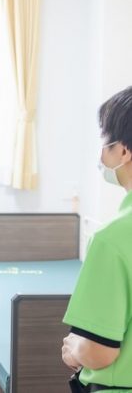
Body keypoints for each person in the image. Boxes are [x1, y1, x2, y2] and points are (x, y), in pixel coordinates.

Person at [62, 86, 132, 392]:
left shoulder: (112, 239)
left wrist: (74, 348)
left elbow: (99, 352)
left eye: (105, 140)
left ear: (123, 151)